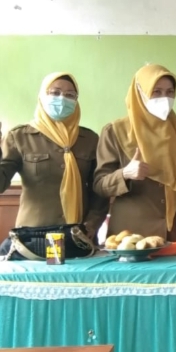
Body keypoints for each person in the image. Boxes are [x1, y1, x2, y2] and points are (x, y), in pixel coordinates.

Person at [93, 64, 176, 241]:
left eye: (169, 92)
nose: (164, 98)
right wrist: (125, 174)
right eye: (156, 92)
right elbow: (100, 185)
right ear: (140, 93)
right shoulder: (115, 132)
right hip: (131, 237)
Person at [0, 73, 108, 237]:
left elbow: (99, 190)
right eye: (55, 93)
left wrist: (90, 227)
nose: (62, 99)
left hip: (78, 235)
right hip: (33, 235)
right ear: (42, 97)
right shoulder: (19, 137)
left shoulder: (89, 139)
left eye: (70, 95)